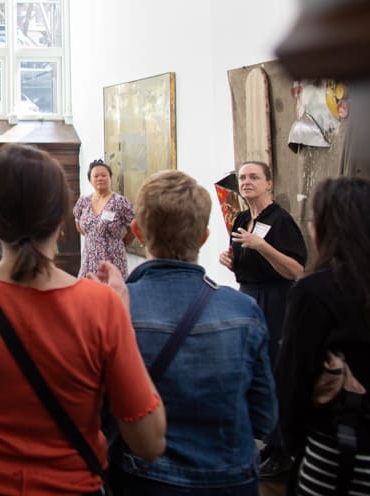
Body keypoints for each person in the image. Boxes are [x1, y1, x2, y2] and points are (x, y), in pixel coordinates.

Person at [0, 143, 165, 496]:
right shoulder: (102, 305)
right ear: (61, 222)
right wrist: (121, 321)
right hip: (71, 484)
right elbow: (148, 441)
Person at [114, 170, 275, 495]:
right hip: (229, 478)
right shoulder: (243, 311)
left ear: (137, 232)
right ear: (203, 237)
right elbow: (264, 418)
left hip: (144, 478)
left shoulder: (117, 310)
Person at [276, 177, 370, 494]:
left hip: (344, 462)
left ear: (327, 227)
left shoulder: (315, 292)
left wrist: (297, 444)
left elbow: (291, 388)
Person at [218, 160, 306, 478]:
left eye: (254, 177)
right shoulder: (242, 218)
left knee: (275, 369)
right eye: (242, 178)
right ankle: (270, 440)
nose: (247, 182)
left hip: (277, 300)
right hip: (248, 295)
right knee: (255, 368)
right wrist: (230, 261)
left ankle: (285, 450)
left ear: (269, 183)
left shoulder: (280, 220)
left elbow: (296, 270)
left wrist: (262, 246)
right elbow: (246, 262)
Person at [74, 159, 134, 279]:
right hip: (89, 260)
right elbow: (78, 223)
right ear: (90, 180)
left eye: (104, 175)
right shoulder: (83, 201)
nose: (100, 178)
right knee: (88, 294)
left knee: (112, 294)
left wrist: (119, 245)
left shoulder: (120, 202)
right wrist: (93, 237)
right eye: (96, 176)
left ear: (110, 178)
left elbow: (133, 228)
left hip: (113, 260)